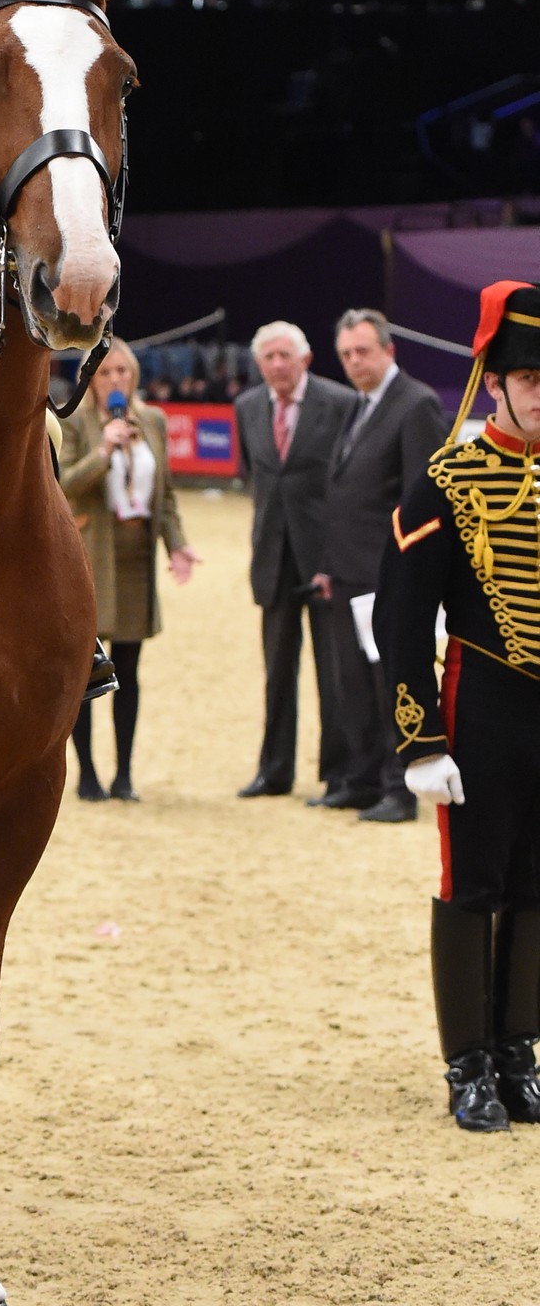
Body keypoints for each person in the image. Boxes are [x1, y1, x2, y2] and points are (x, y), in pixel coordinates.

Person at [374, 282, 540, 1133]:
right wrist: (420, 741)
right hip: (480, 707)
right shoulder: (446, 479)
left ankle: (519, 1053)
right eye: (532, 380)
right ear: (497, 383)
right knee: (472, 884)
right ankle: (468, 1063)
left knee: (536, 887)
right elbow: (401, 619)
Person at [310, 309, 447, 822]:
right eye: (346, 353)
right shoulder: (360, 405)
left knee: (389, 683)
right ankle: (362, 780)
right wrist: (329, 565)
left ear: (389, 350)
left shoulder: (416, 404)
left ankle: (398, 788)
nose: (354, 361)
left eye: (363, 350)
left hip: (387, 575)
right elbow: (346, 495)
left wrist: (409, 575)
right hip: (348, 574)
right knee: (353, 685)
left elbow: (422, 499)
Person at [58, 339, 199, 801]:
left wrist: (177, 545)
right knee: (86, 673)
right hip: (91, 558)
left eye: (122, 371)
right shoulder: (73, 422)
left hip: (137, 559)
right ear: (89, 379)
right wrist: (104, 452)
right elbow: (64, 483)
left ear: (134, 376)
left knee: (130, 669)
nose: (115, 379)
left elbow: (167, 493)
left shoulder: (152, 420)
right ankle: (88, 775)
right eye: (104, 372)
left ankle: (124, 776)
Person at [234, 320, 351, 798]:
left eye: (285, 355)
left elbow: (350, 484)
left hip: (327, 561)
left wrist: (338, 556)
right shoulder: (246, 407)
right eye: (269, 357)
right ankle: (274, 771)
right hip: (272, 558)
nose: (277, 365)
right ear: (258, 363)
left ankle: (339, 773)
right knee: (277, 673)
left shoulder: (341, 403)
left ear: (306, 359)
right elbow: (254, 477)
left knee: (334, 673)